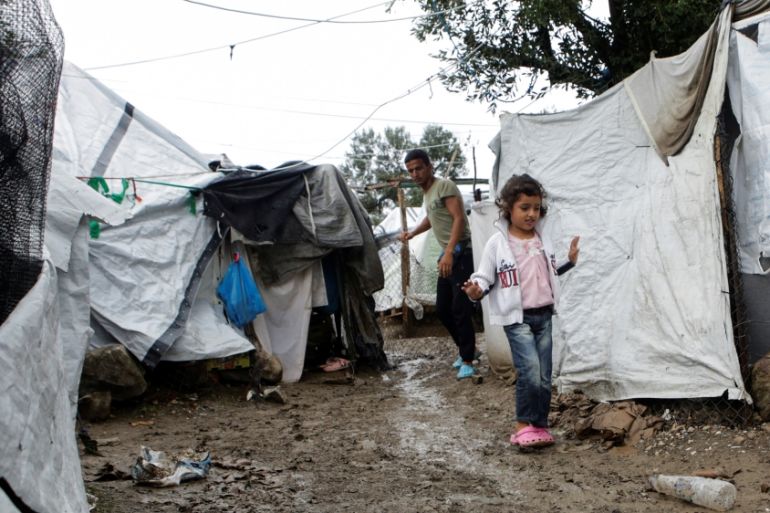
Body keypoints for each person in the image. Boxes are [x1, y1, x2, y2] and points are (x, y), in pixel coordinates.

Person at [461, 174, 579, 449]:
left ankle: (540, 424)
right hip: (518, 318)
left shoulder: (542, 239)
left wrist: (570, 262)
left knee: (545, 375)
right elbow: (484, 276)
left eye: (536, 208)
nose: (531, 214)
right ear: (508, 208)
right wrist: (476, 290)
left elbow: (550, 272)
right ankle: (522, 426)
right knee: (530, 370)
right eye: (524, 208)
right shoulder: (498, 243)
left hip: (544, 315)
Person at [399, 149, 478, 380]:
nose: (415, 174)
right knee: (443, 309)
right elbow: (431, 218)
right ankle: (467, 350)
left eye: (418, 168)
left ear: (429, 166)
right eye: (410, 171)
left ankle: (468, 360)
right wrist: (413, 233)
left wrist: (450, 252)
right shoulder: (428, 194)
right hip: (449, 253)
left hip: (461, 251)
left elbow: (459, 218)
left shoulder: (444, 186)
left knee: (460, 308)